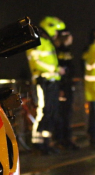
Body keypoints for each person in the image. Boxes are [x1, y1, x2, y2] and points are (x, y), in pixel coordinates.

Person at [26, 16, 66, 154]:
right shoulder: (38, 42)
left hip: (51, 82)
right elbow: (36, 62)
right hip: (43, 82)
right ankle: (38, 144)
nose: (56, 34)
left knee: (50, 112)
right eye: (55, 31)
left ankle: (46, 143)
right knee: (44, 111)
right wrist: (55, 70)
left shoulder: (47, 43)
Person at [54, 29, 79, 149]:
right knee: (63, 114)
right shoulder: (60, 52)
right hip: (63, 87)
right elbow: (63, 71)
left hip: (66, 86)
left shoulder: (66, 51)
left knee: (67, 114)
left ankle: (66, 139)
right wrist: (61, 87)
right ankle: (62, 140)